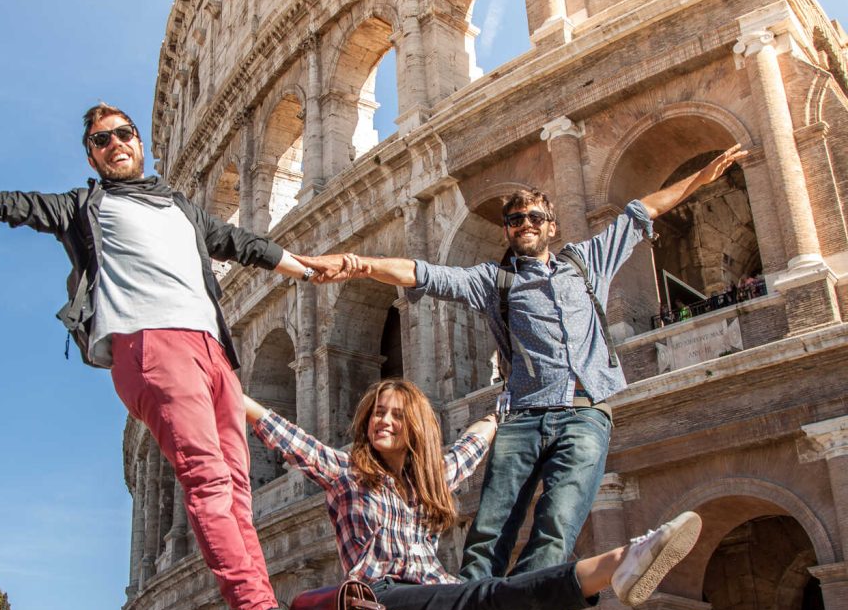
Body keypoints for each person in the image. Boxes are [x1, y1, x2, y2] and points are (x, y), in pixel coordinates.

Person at [0, 103, 348, 610]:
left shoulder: (178, 206)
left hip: (212, 349)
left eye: (123, 133)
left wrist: (304, 268)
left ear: (140, 142)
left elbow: (238, 243)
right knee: (208, 478)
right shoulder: (84, 207)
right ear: (92, 153)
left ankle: (263, 607)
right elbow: (1, 205)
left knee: (237, 486)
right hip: (151, 346)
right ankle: (257, 609)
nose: (116, 144)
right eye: (102, 140)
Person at [311, 144, 746, 581]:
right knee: (488, 534)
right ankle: (472, 609)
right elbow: (422, 273)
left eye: (535, 218)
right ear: (507, 231)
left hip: (585, 414)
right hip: (521, 417)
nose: (525, 225)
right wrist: (360, 264)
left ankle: (525, 608)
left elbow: (643, 209)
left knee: (558, 526)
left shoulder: (587, 262)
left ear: (551, 227)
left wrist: (702, 177)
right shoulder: (492, 282)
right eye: (516, 220)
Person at [244, 378, 702, 610]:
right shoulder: (346, 473)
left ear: (415, 427)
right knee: (491, 598)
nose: (382, 421)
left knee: (496, 605)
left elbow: (472, 445)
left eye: (396, 415)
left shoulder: (431, 480)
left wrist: (500, 412)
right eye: (377, 413)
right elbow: (284, 435)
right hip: (382, 596)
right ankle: (623, 562)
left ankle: (620, 568)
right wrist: (228, 391)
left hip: (438, 592)